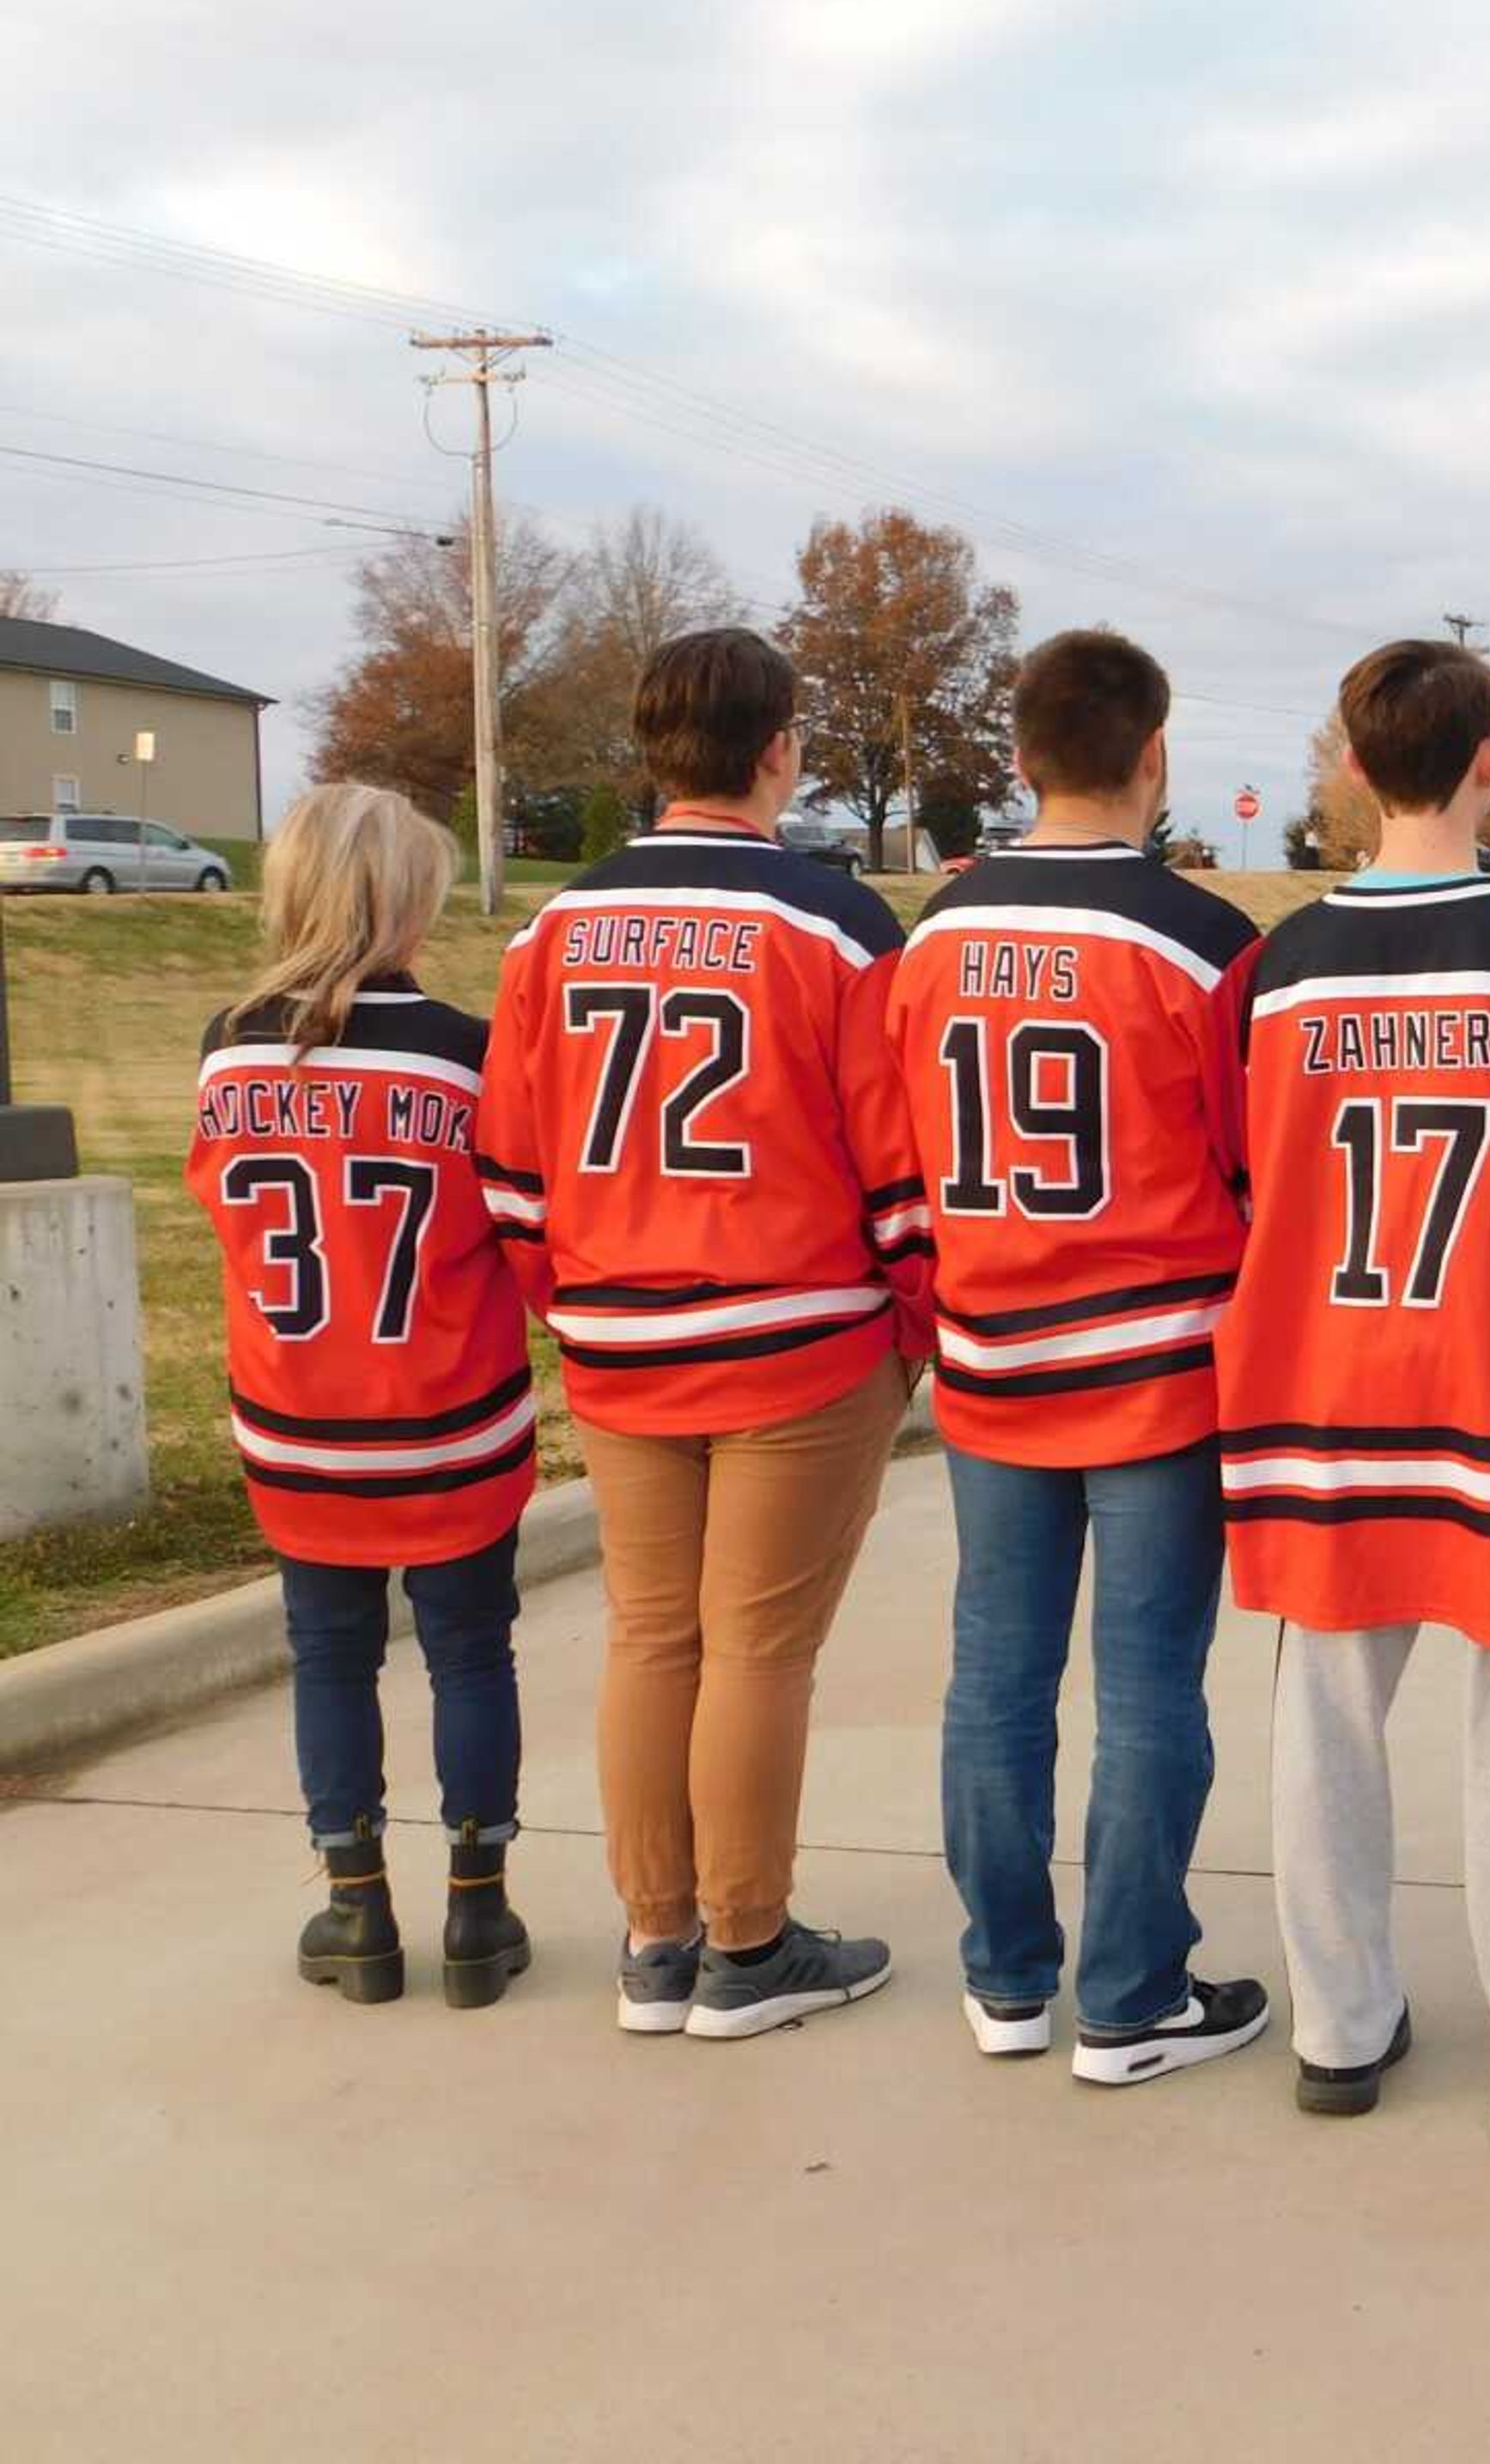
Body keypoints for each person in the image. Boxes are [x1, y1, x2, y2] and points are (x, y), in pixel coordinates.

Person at [1216, 638, 1490, 2137]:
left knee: (1323, 1713)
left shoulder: (1274, 973)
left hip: (1320, 1386)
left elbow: (1245, 1174)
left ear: (1347, 766)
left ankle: (1338, 2027)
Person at [477, 628, 931, 2041]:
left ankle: (655, 1937)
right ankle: (747, 1941)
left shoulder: (552, 928)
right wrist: (909, 1332)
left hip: (623, 1328)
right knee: (755, 1652)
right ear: (779, 748)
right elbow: (895, 1161)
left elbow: (509, 1160)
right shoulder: (838, 925)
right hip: (794, 1330)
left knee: (649, 1636)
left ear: (652, 749)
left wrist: (579, 1300)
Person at [887, 628, 1270, 2083]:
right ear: (1154, 756)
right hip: (1158, 1361)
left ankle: (1006, 1977)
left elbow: (906, 1152)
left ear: (1024, 758)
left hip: (991, 1354)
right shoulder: (1200, 943)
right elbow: (1255, 1165)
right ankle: (1131, 1990)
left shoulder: (930, 937)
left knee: (994, 1673)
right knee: (1149, 1684)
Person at [188, 783, 537, 2009]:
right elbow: (509, 1228)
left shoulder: (225, 1044)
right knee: (470, 1654)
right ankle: (477, 1916)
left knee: (328, 1660)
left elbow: (223, 1211)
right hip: (448, 1414)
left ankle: (354, 1910)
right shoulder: (464, 1050)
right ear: (412, 898)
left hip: (298, 1421)